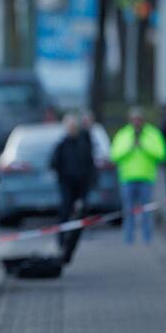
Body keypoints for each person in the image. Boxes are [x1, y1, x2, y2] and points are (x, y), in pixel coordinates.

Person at [110, 107, 166, 244]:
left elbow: (161, 154)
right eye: (134, 119)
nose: (136, 122)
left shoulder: (153, 134)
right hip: (127, 178)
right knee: (128, 211)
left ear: (143, 119)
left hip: (146, 178)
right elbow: (114, 156)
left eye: (139, 119)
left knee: (147, 211)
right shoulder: (123, 134)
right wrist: (130, 147)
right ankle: (128, 239)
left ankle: (148, 239)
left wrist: (143, 145)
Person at [50, 113, 95, 263]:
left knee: (80, 215)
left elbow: (90, 165)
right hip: (67, 184)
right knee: (65, 212)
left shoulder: (83, 143)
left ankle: (71, 245)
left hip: (81, 185)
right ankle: (62, 242)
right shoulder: (62, 145)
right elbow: (53, 163)